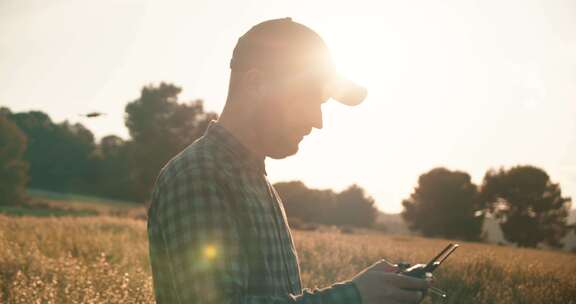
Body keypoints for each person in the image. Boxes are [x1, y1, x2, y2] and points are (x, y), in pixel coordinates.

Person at [147, 17, 432, 304]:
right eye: (309, 99)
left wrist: (374, 292)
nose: (317, 120)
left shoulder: (257, 182)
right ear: (257, 84)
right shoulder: (199, 176)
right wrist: (354, 296)